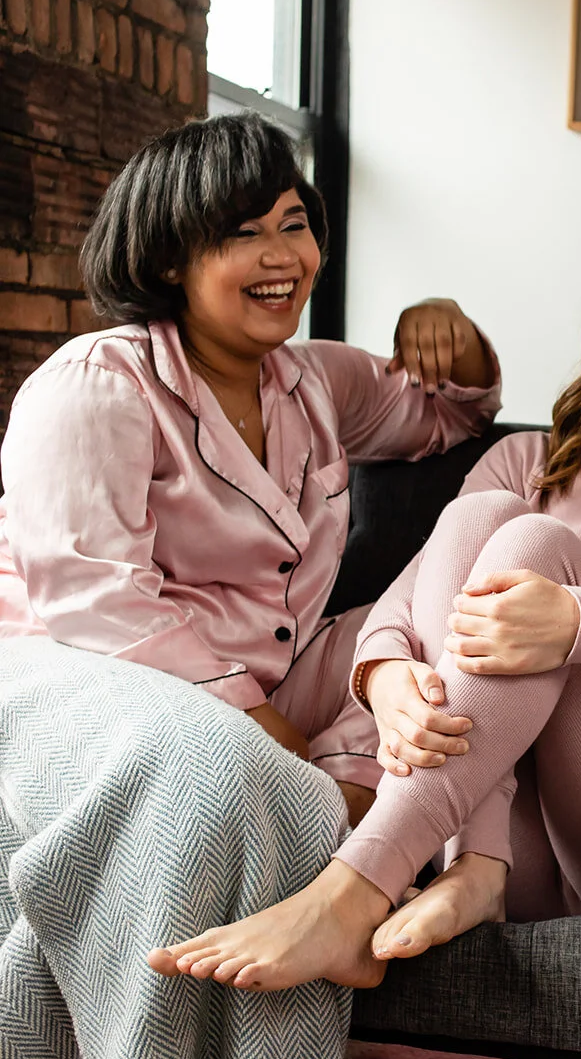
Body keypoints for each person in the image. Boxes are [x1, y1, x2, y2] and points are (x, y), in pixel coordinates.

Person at [151, 206, 581, 991]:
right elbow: (410, 593)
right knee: (482, 517)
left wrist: (575, 622)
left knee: (530, 543)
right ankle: (478, 866)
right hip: (503, 828)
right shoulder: (525, 458)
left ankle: (353, 890)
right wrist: (385, 674)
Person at [0, 112, 500, 825]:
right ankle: (336, 819)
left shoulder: (316, 379)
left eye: (294, 225)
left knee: (443, 625)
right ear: (169, 260)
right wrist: (264, 732)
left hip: (273, 683)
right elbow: (97, 605)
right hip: (98, 686)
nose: (283, 256)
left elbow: (455, 413)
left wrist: (446, 324)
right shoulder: (97, 383)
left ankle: (339, 812)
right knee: (222, 765)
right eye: (244, 233)